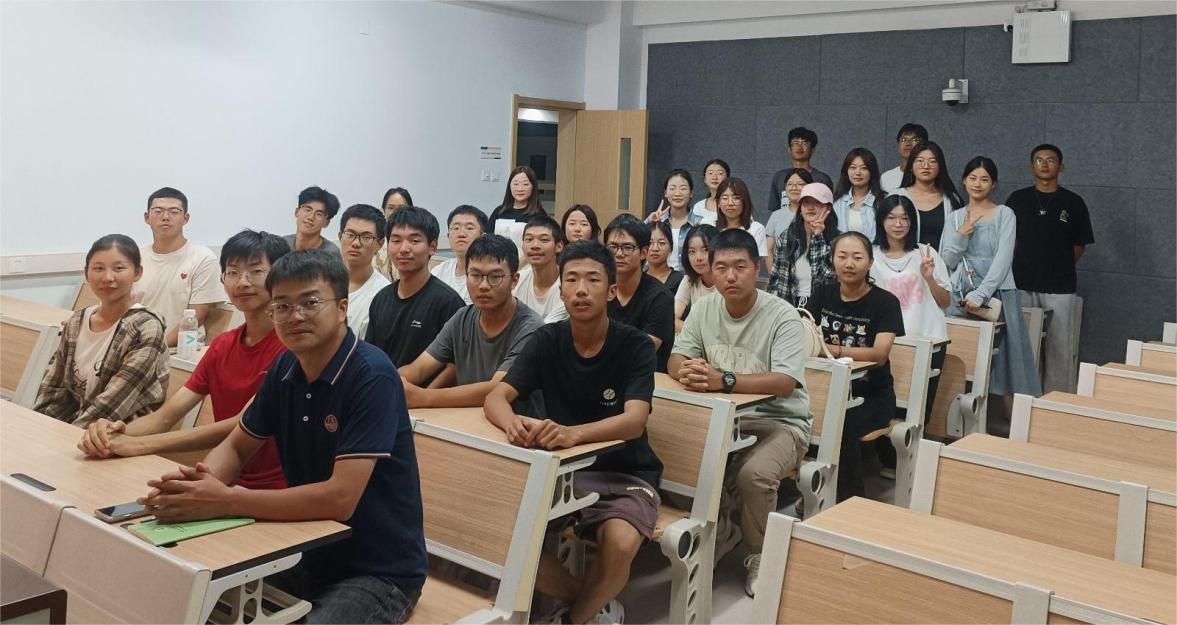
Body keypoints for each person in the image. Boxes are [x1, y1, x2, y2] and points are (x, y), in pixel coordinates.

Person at [139, 249, 426, 624]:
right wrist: (198, 488)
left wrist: (227, 500)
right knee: (182, 593)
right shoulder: (285, 367)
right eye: (283, 306)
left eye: (310, 302)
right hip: (303, 548)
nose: (296, 316)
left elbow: (340, 499)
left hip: (376, 569)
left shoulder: (372, 375)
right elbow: (237, 446)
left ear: (342, 308)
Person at [483, 240, 662, 625]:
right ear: (561, 290)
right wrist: (512, 423)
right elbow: (497, 397)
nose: (581, 289)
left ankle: (575, 618)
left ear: (611, 290)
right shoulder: (547, 340)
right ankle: (595, 600)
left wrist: (573, 434)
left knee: (620, 543)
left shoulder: (635, 346)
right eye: (572, 279)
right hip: (563, 472)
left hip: (627, 473)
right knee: (502, 529)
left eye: (593, 280)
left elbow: (634, 420)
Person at [77, 231, 291, 491]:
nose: (242, 282)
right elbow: (165, 417)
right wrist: (108, 434)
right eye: (233, 272)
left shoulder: (292, 348)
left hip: (280, 487)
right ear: (222, 279)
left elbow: (244, 422)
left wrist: (139, 444)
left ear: (280, 277)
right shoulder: (222, 345)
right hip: (226, 478)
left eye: (256, 271)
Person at [668, 229, 811, 598]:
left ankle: (761, 555)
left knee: (754, 474)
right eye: (721, 268)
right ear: (710, 271)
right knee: (674, 457)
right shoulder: (704, 309)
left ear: (756, 268)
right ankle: (724, 531)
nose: (730, 276)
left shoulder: (782, 315)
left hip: (782, 422)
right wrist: (687, 371)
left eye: (740, 267)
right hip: (725, 419)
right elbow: (676, 358)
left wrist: (724, 380)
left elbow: (785, 383)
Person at [806, 232, 904, 501]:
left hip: (872, 395)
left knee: (841, 424)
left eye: (857, 257)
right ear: (832, 260)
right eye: (842, 256)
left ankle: (848, 500)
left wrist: (832, 350)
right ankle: (812, 490)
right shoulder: (822, 294)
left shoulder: (886, 303)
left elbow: (879, 354)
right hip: (825, 391)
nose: (849, 263)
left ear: (870, 262)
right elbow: (804, 335)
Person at [398, 234, 544, 414]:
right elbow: (419, 369)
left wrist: (424, 397)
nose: (483, 285)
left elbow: (497, 388)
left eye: (495, 276)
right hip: (466, 420)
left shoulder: (532, 328)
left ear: (514, 280)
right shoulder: (462, 318)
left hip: (516, 424)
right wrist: (391, 381)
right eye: (475, 275)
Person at [35, 235, 169, 428]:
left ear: (137, 272)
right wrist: (39, 425)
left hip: (120, 431)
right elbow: (53, 386)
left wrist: (70, 436)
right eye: (98, 268)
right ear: (86, 273)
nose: (107, 277)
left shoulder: (145, 327)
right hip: (74, 425)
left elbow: (112, 406)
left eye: (118, 268)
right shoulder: (76, 321)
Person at [941, 157, 1042, 414]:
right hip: (960, 294)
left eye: (984, 179)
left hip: (997, 294)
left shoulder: (1004, 214)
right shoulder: (954, 217)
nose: (977, 184)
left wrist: (982, 294)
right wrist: (961, 235)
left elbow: (1004, 259)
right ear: (964, 181)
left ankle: (1016, 422)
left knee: (1009, 357)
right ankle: (960, 421)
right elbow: (947, 261)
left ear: (994, 184)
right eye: (973, 178)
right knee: (962, 355)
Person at [1006, 144, 1094, 393]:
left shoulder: (1073, 202)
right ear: (1031, 166)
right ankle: (1025, 399)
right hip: (1023, 283)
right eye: (1039, 160)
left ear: (1061, 166)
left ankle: (1057, 401)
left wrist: (1056, 264)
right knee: (1024, 346)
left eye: (1051, 160)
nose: (1044, 165)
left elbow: (1079, 246)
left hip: (1060, 285)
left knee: (1060, 347)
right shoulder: (1017, 200)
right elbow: (1010, 241)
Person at [870, 195, 950, 424]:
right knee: (885, 409)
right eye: (891, 217)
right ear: (881, 221)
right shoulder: (870, 255)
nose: (898, 224)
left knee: (918, 413)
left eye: (904, 218)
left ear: (912, 222)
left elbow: (945, 301)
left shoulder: (926, 253)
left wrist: (929, 277)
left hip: (928, 340)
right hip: (885, 342)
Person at [366, 207, 465, 367]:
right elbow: (371, 353)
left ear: (432, 247)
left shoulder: (448, 303)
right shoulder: (381, 298)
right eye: (396, 240)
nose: (404, 249)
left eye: (414, 241)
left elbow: (455, 366)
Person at [136, 187, 224, 347]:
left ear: (185, 218)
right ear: (147, 217)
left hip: (181, 350)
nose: (165, 217)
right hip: (137, 347)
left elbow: (196, 317)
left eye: (174, 212)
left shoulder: (203, 258)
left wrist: (155, 348)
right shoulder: (135, 258)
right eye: (158, 211)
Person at [604, 214, 675, 373]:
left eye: (627, 247)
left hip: (647, 378)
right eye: (612, 247)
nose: (619, 254)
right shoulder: (600, 290)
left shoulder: (660, 297)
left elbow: (643, 350)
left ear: (644, 252)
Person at [767, 183, 841, 307]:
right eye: (806, 203)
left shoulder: (838, 241)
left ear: (828, 209)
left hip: (823, 307)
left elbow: (826, 277)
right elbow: (776, 277)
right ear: (800, 209)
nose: (811, 207)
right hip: (789, 305)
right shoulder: (787, 236)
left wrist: (818, 237)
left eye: (817, 203)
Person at [895, 141, 963, 251]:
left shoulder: (951, 199)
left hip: (942, 261)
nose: (926, 166)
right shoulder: (896, 196)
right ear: (911, 166)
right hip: (905, 260)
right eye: (920, 161)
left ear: (940, 167)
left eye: (932, 161)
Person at [337, 204, 390, 335]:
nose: (356, 243)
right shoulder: (321, 280)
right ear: (340, 236)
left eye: (366, 237)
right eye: (350, 234)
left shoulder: (383, 295)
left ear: (380, 244)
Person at [766, 127, 834, 226]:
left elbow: (828, 211)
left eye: (805, 143)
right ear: (789, 149)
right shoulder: (779, 177)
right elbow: (775, 209)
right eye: (795, 143)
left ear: (813, 150)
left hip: (812, 228)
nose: (799, 146)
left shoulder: (822, 179)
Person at [514, 215, 570, 323]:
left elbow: (545, 328)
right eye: (529, 239)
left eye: (544, 240)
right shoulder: (518, 280)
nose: (535, 245)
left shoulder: (569, 284)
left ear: (559, 246)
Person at [430, 205, 488, 304]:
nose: (461, 234)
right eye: (456, 228)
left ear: (483, 237)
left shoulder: (489, 274)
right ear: (448, 236)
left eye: (469, 228)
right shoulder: (439, 271)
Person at [645, 169, 701, 272]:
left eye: (683, 188)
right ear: (666, 193)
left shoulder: (700, 223)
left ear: (691, 193)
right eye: (672, 188)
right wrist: (649, 222)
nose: (677, 193)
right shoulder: (656, 220)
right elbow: (638, 247)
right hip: (657, 278)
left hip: (689, 279)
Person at [674, 224, 719, 333]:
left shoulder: (727, 282)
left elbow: (717, 330)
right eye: (692, 251)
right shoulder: (689, 280)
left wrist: (688, 329)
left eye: (705, 250)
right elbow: (671, 318)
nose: (698, 258)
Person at [832, 148, 884, 241]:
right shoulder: (836, 202)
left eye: (864, 168)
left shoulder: (883, 201)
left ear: (872, 172)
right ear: (846, 171)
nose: (858, 172)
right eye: (853, 167)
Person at [488, 166, 544, 252]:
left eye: (525, 184)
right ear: (509, 186)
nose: (520, 189)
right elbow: (488, 239)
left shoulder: (539, 214)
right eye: (515, 184)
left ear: (533, 187)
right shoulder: (499, 211)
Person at [766, 169, 813, 269]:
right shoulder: (776, 215)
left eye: (800, 184)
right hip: (782, 273)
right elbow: (768, 250)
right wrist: (773, 275)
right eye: (790, 184)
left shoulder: (815, 214)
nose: (794, 188)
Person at [714, 177, 768, 265]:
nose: (730, 203)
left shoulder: (756, 229)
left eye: (736, 198)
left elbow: (756, 263)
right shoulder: (708, 224)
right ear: (718, 203)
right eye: (725, 198)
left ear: (744, 201)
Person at [285, 186, 342, 254]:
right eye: (307, 210)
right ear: (297, 212)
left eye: (319, 214)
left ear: (326, 223)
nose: (311, 217)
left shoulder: (330, 253)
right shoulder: (282, 245)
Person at [375, 187, 413, 280]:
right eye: (391, 208)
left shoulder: (417, 243)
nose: (396, 213)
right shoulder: (376, 243)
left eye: (401, 208)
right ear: (384, 211)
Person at [879, 123, 928, 194]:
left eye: (914, 140)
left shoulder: (928, 175)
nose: (908, 143)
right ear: (898, 146)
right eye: (903, 140)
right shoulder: (886, 178)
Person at [646, 221, 684, 296]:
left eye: (661, 243)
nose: (655, 248)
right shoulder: (637, 279)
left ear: (671, 247)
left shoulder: (680, 280)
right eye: (650, 243)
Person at [691, 159, 730, 224]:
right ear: (705, 179)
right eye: (710, 173)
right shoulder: (698, 206)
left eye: (720, 173)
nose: (714, 177)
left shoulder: (733, 203)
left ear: (727, 178)